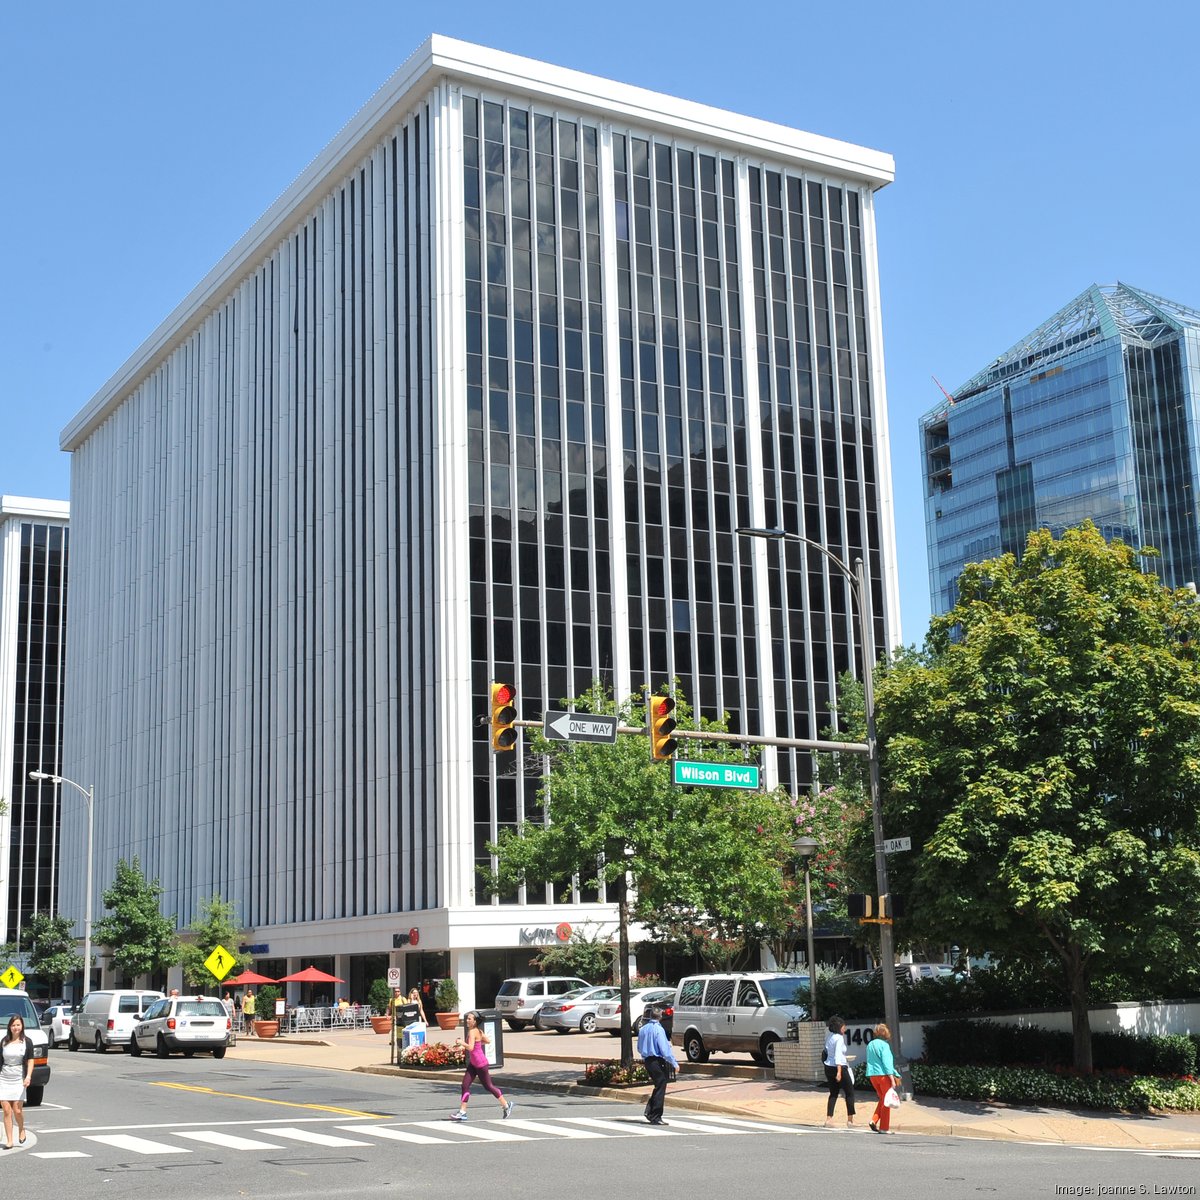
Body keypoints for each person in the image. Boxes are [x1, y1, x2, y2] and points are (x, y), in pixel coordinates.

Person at [449, 1011, 513, 1121]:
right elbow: (487, 1041)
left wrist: (461, 1042)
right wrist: (476, 1044)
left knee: (488, 1086)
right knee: (465, 1085)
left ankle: (506, 1105)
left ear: (475, 1021)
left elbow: (470, 1048)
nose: (467, 1020)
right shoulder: (478, 1031)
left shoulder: (473, 1032)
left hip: (481, 1064)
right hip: (473, 1064)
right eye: (467, 1019)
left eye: (469, 1019)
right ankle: (462, 1112)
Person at [636, 1004, 679, 1126]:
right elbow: (665, 1050)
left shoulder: (643, 1029)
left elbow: (639, 1047)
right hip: (657, 1061)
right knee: (661, 1086)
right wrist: (674, 1063)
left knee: (658, 1085)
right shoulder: (659, 1030)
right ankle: (655, 1116)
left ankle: (650, 1111)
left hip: (648, 1061)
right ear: (660, 1017)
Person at [0, 1015, 35, 1150]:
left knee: (17, 1110)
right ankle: (9, 1140)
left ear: (22, 1026)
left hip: (18, 1077)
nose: (16, 1028)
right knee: (6, 1110)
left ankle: (21, 1128)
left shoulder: (27, 1042)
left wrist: (28, 1076)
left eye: (18, 1025)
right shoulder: (4, 1041)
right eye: (13, 1025)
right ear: (10, 1027)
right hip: (4, 1077)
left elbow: (30, 1060)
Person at [865, 1023, 903, 1134]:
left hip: (872, 1076)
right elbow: (887, 1064)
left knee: (883, 1099)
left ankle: (874, 1120)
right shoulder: (884, 1046)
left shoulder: (870, 1044)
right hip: (883, 1076)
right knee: (887, 1102)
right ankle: (884, 1128)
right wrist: (892, 1078)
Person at [823, 1014, 857, 1128]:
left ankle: (829, 1119)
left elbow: (827, 1052)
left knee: (833, 1093)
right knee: (849, 1092)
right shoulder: (839, 1038)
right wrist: (838, 1072)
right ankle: (850, 1120)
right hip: (839, 1067)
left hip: (828, 1066)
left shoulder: (830, 1036)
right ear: (839, 1027)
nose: (845, 1029)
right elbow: (838, 1055)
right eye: (843, 1026)